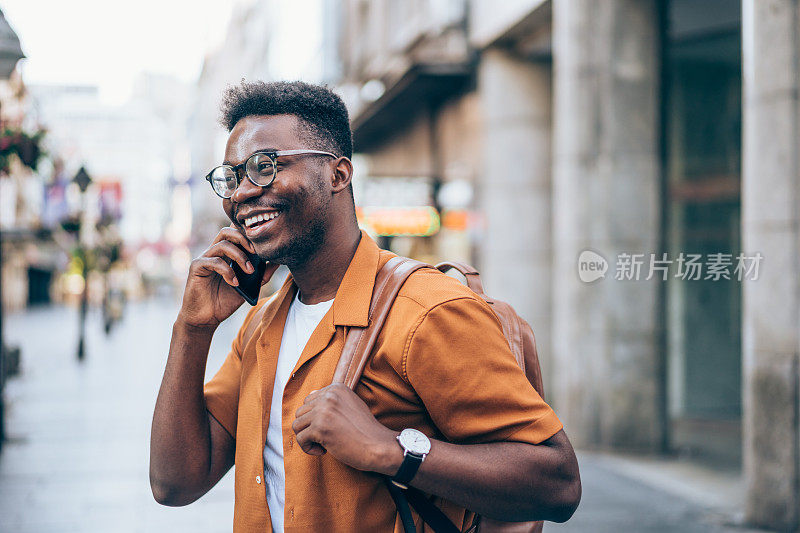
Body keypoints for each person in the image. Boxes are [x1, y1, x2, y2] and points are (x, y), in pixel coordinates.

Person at [149, 80, 581, 532]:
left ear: (338, 175)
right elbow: (174, 484)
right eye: (231, 177)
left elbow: (558, 482)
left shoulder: (426, 312)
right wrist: (192, 330)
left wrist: (392, 450)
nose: (239, 194)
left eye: (264, 166)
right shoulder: (261, 324)